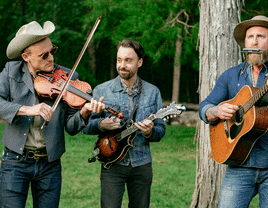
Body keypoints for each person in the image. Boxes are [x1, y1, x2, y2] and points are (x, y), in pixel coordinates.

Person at [0, 21, 104, 208]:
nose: (51, 58)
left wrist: (85, 112)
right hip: (15, 162)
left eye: (52, 51)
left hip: (49, 164)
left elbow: (71, 127)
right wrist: (28, 109)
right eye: (44, 55)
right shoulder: (10, 72)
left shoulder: (67, 76)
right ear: (26, 57)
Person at [82, 38, 166, 208]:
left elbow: (160, 131)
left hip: (142, 163)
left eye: (128, 60)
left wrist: (150, 132)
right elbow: (85, 127)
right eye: (119, 60)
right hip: (112, 163)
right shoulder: (101, 90)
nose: (122, 65)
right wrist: (101, 125)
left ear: (139, 62)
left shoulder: (152, 92)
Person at [199, 15, 268, 207]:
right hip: (239, 164)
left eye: (261, 36)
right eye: (250, 36)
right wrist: (217, 111)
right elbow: (205, 106)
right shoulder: (230, 75)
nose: (254, 41)